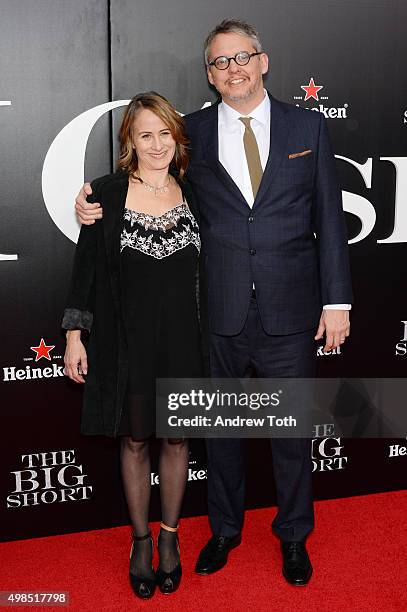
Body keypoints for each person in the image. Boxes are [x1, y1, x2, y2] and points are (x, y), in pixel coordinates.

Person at [75, 19, 353, 586]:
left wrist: (338, 303)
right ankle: (224, 530)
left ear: (264, 60)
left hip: (289, 309)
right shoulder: (190, 134)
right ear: (209, 74)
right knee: (220, 433)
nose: (234, 69)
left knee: (291, 434)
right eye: (221, 62)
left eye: (242, 57)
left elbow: (328, 219)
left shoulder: (309, 126)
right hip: (216, 314)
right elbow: (143, 184)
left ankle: (294, 536)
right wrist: (88, 204)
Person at [63, 92, 202, 599]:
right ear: (129, 141)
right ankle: (140, 541)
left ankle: (171, 538)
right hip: (130, 345)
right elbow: (86, 272)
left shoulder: (196, 192)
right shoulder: (105, 193)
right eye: (146, 133)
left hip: (186, 341)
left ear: (177, 136)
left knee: (178, 440)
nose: (158, 143)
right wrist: (76, 335)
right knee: (137, 439)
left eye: (165, 132)